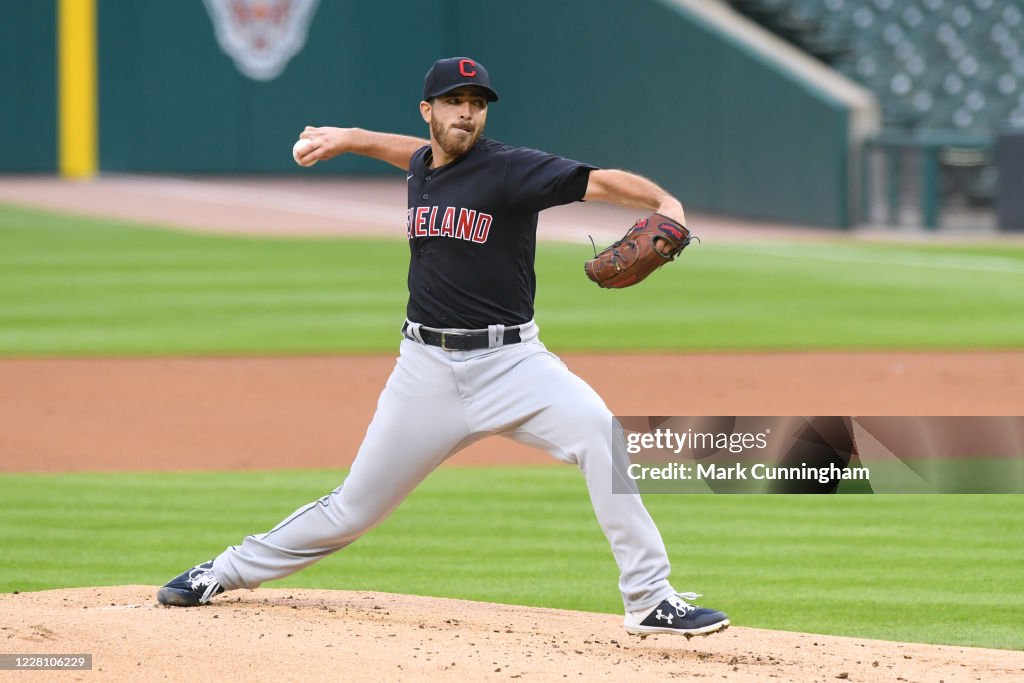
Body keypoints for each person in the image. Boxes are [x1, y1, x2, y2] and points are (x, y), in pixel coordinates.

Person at [157, 57, 729, 639]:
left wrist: (666, 204)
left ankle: (650, 597)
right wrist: (350, 139)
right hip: (424, 372)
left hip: (513, 365)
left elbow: (600, 181)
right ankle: (223, 572)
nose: (468, 113)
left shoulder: (511, 171)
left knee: (600, 434)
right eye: (456, 102)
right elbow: (405, 151)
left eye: (477, 104)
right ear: (429, 111)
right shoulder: (422, 166)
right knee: (352, 508)